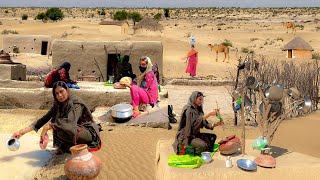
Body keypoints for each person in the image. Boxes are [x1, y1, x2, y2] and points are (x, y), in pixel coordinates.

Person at [12, 81, 102, 154]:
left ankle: (72, 146)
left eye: (61, 91)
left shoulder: (76, 103)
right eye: (56, 93)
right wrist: (21, 132)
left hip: (87, 132)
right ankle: (64, 146)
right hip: (75, 129)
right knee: (56, 121)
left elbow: (70, 123)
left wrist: (48, 127)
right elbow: (43, 119)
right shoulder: (58, 105)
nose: (59, 95)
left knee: (58, 125)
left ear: (67, 90)